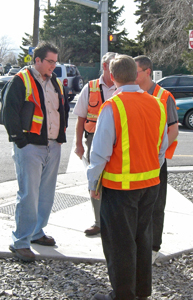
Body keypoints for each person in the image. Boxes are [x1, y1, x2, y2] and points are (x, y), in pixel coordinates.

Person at [87, 54, 168, 300]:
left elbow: (99, 153)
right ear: (136, 74)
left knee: (119, 243)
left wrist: (93, 184)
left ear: (112, 77)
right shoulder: (157, 103)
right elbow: (161, 149)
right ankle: (142, 291)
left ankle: (122, 295)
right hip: (150, 185)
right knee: (142, 239)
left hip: (120, 188)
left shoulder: (113, 106)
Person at [0, 42, 69, 262]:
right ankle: (20, 242)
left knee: (46, 195)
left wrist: (59, 139)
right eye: (50, 61)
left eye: (55, 62)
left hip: (52, 145)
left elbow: (61, 109)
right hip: (30, 146)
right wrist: (20, 141)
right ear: (37, 60)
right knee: (29, 195)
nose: (54, 66)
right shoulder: (21, 80)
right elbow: (9, 111)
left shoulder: (54, 81)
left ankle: (37, 232)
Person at [134, 55, 178, 264]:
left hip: (156, 161)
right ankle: (138, 244)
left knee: (156, 203)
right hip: (135, 159)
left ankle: (153, 247)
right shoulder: (132, 93)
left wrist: (158, 154)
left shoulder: (163, 95)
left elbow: (174, 129)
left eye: (136, 72)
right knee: (136, 203)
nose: (133, 76)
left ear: (147, 71)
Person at [73, 52, 116, 236]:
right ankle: (98, 222)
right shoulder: (90, 88)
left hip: (119, 141)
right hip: (93, 140)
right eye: (113, 65)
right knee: (95, 179)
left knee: (115, 181)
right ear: (105, 66)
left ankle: (115, 222)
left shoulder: (124, 86)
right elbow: (81, 118)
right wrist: (78, 144)